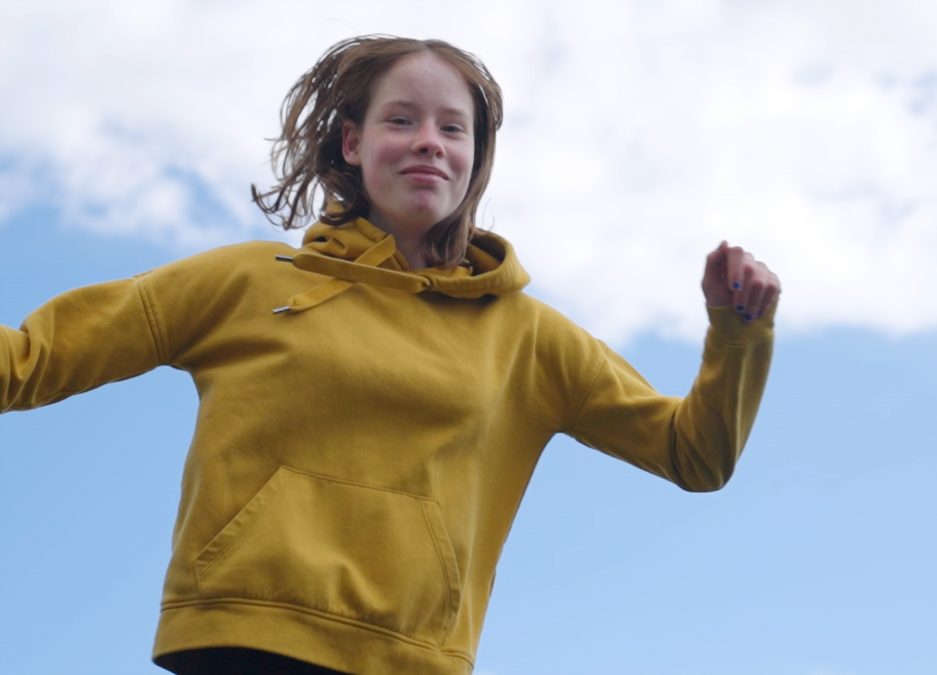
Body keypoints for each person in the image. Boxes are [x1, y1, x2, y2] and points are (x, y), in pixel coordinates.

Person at [0, 35, 781, 675]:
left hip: (413, 658)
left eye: (452, 128)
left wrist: (738, 330)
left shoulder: (529, 338)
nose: (428, 142)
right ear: (354, 141)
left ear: (475, 157)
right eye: (401, 120)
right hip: (242, 639)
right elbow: (31, 362)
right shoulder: (246, 282)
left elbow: (695, 454)